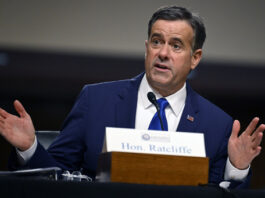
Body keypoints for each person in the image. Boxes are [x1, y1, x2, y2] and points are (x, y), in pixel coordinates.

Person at [0, 6, 264, 188]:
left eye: (176, 45)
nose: (163, 53)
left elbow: (222, 193)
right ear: (146, 47)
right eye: (157, 41)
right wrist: (29, 147)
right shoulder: (95, 101)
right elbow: (55, 176)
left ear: (195, 58)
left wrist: (237, 169)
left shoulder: (218, 125)